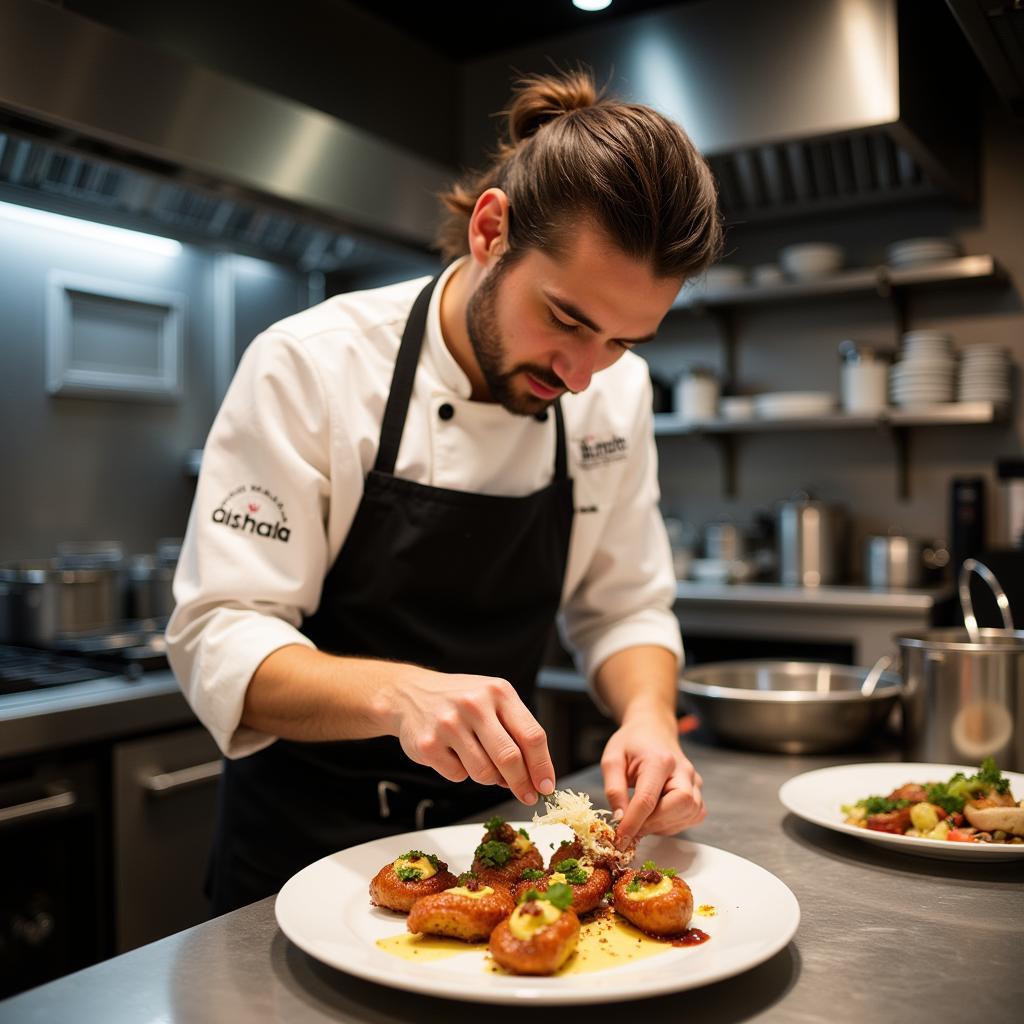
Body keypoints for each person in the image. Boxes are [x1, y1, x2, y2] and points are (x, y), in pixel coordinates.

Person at [166, 69, 723, 914]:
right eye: (568, 320)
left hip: (495, 848)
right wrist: (400, 693)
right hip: (306, 861)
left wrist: (646, 718)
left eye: (622, 340)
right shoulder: (312, 365)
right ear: (491, 231)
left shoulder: (617, 391)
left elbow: (624, 607)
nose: (582, 375)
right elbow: (220, 636)